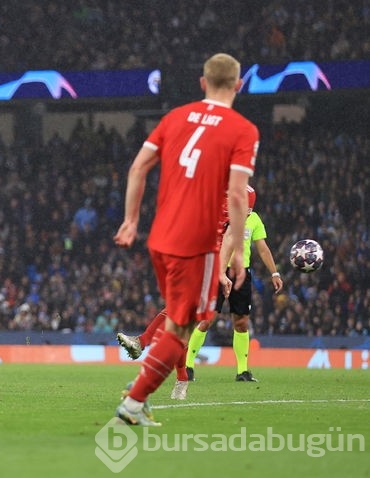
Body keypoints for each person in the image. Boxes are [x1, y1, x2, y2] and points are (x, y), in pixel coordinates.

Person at [112, 53, 258, 426]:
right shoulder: (242, 130)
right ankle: (134, 400)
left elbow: (138, 167)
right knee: (184, 327)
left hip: (161, 237)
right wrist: (239, 251)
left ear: (202, 82)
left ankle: (141, 389)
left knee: (178, 321)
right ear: (238, 85)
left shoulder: (174, 118)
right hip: (198, 242)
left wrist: (130, 220)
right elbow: (239, 195)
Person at [186, 185, 283, 382]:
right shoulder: (221, 217)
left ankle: (242, 371)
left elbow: (263, 249)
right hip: (218, 272)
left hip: (242, 275)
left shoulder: (254, 220)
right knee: (207, 320)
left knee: (241, 322)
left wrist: (274, 272)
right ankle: (187, 366)